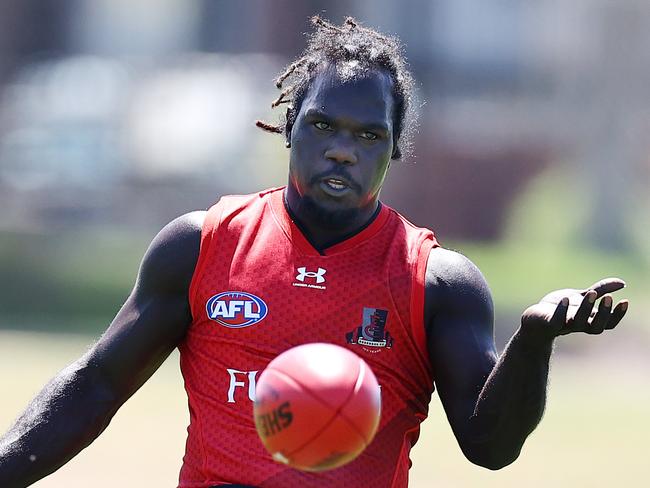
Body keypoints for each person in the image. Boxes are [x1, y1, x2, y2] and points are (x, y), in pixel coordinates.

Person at [0, 16, 628, 488]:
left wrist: (533, 341)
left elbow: (491, 448)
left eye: (367, 135)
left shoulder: (434, 283)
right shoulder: (203, 246)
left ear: (393, 150)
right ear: (288, 125)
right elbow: (97, 385)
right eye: (324, 125)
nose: (342, 150)